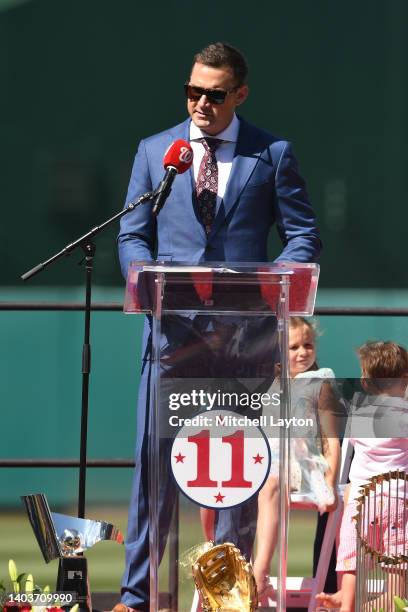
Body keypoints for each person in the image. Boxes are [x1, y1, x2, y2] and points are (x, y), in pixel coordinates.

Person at [116, 42, 321, 612]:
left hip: (242, 338)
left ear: (240, 94)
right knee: (153, 470)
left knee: (236, 470)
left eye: (214, 94)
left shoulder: (271, 153)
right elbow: (133, 234)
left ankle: (225, 599)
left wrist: (272, 280)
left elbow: (302, 234)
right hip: (171, 336)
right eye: (192, 91)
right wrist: (143, 279)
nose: (200, 103)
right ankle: (138, 597)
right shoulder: (158, 152)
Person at [316, 341, 408, 612]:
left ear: (366, 382)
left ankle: (347, 603)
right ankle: (390, 603)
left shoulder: (359, 414)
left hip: (359, 500)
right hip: (398, 500)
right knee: (397, 571)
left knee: (351, 559)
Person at [252, 316, 340, 596]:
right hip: (269, 463)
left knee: (270, 484)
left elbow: (331, 441)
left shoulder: (319, 381)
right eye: (293, 347)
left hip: (306, 466)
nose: (303, 352)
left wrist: (329, 482)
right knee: (252, 483)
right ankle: (232, 572)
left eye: (308, 345)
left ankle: (258, 574)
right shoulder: (271, 386)